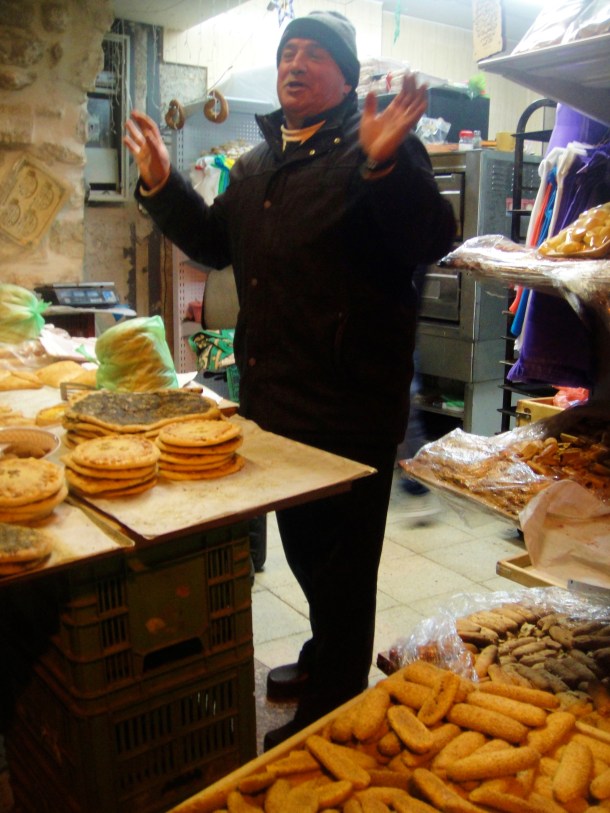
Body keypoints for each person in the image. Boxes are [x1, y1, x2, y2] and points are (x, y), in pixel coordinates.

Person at [124, 10, 455, 750]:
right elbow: (215, 243)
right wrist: (161, 181)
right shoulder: (257, 164)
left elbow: (429, 238)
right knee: (308, 556)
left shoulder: (378, 153)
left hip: (349, 406)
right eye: (287, 52)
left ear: (344, 74)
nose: (295, 64)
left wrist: (385, 163)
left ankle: (336, 707)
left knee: (343, 569)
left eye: (313, 53)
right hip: (275, 404)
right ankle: (320, 654)